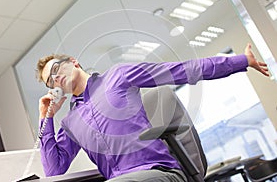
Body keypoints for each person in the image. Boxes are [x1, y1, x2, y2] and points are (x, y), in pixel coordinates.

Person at [36, 43, 269, 182]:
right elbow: (55, 171)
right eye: (50, 81)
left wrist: (242, 61)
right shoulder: (70, 122)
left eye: (56, 69)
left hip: (160, 173)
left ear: (74, 62)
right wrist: (46, 118)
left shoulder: (118, 77)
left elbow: (182, 70)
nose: (55, 78)